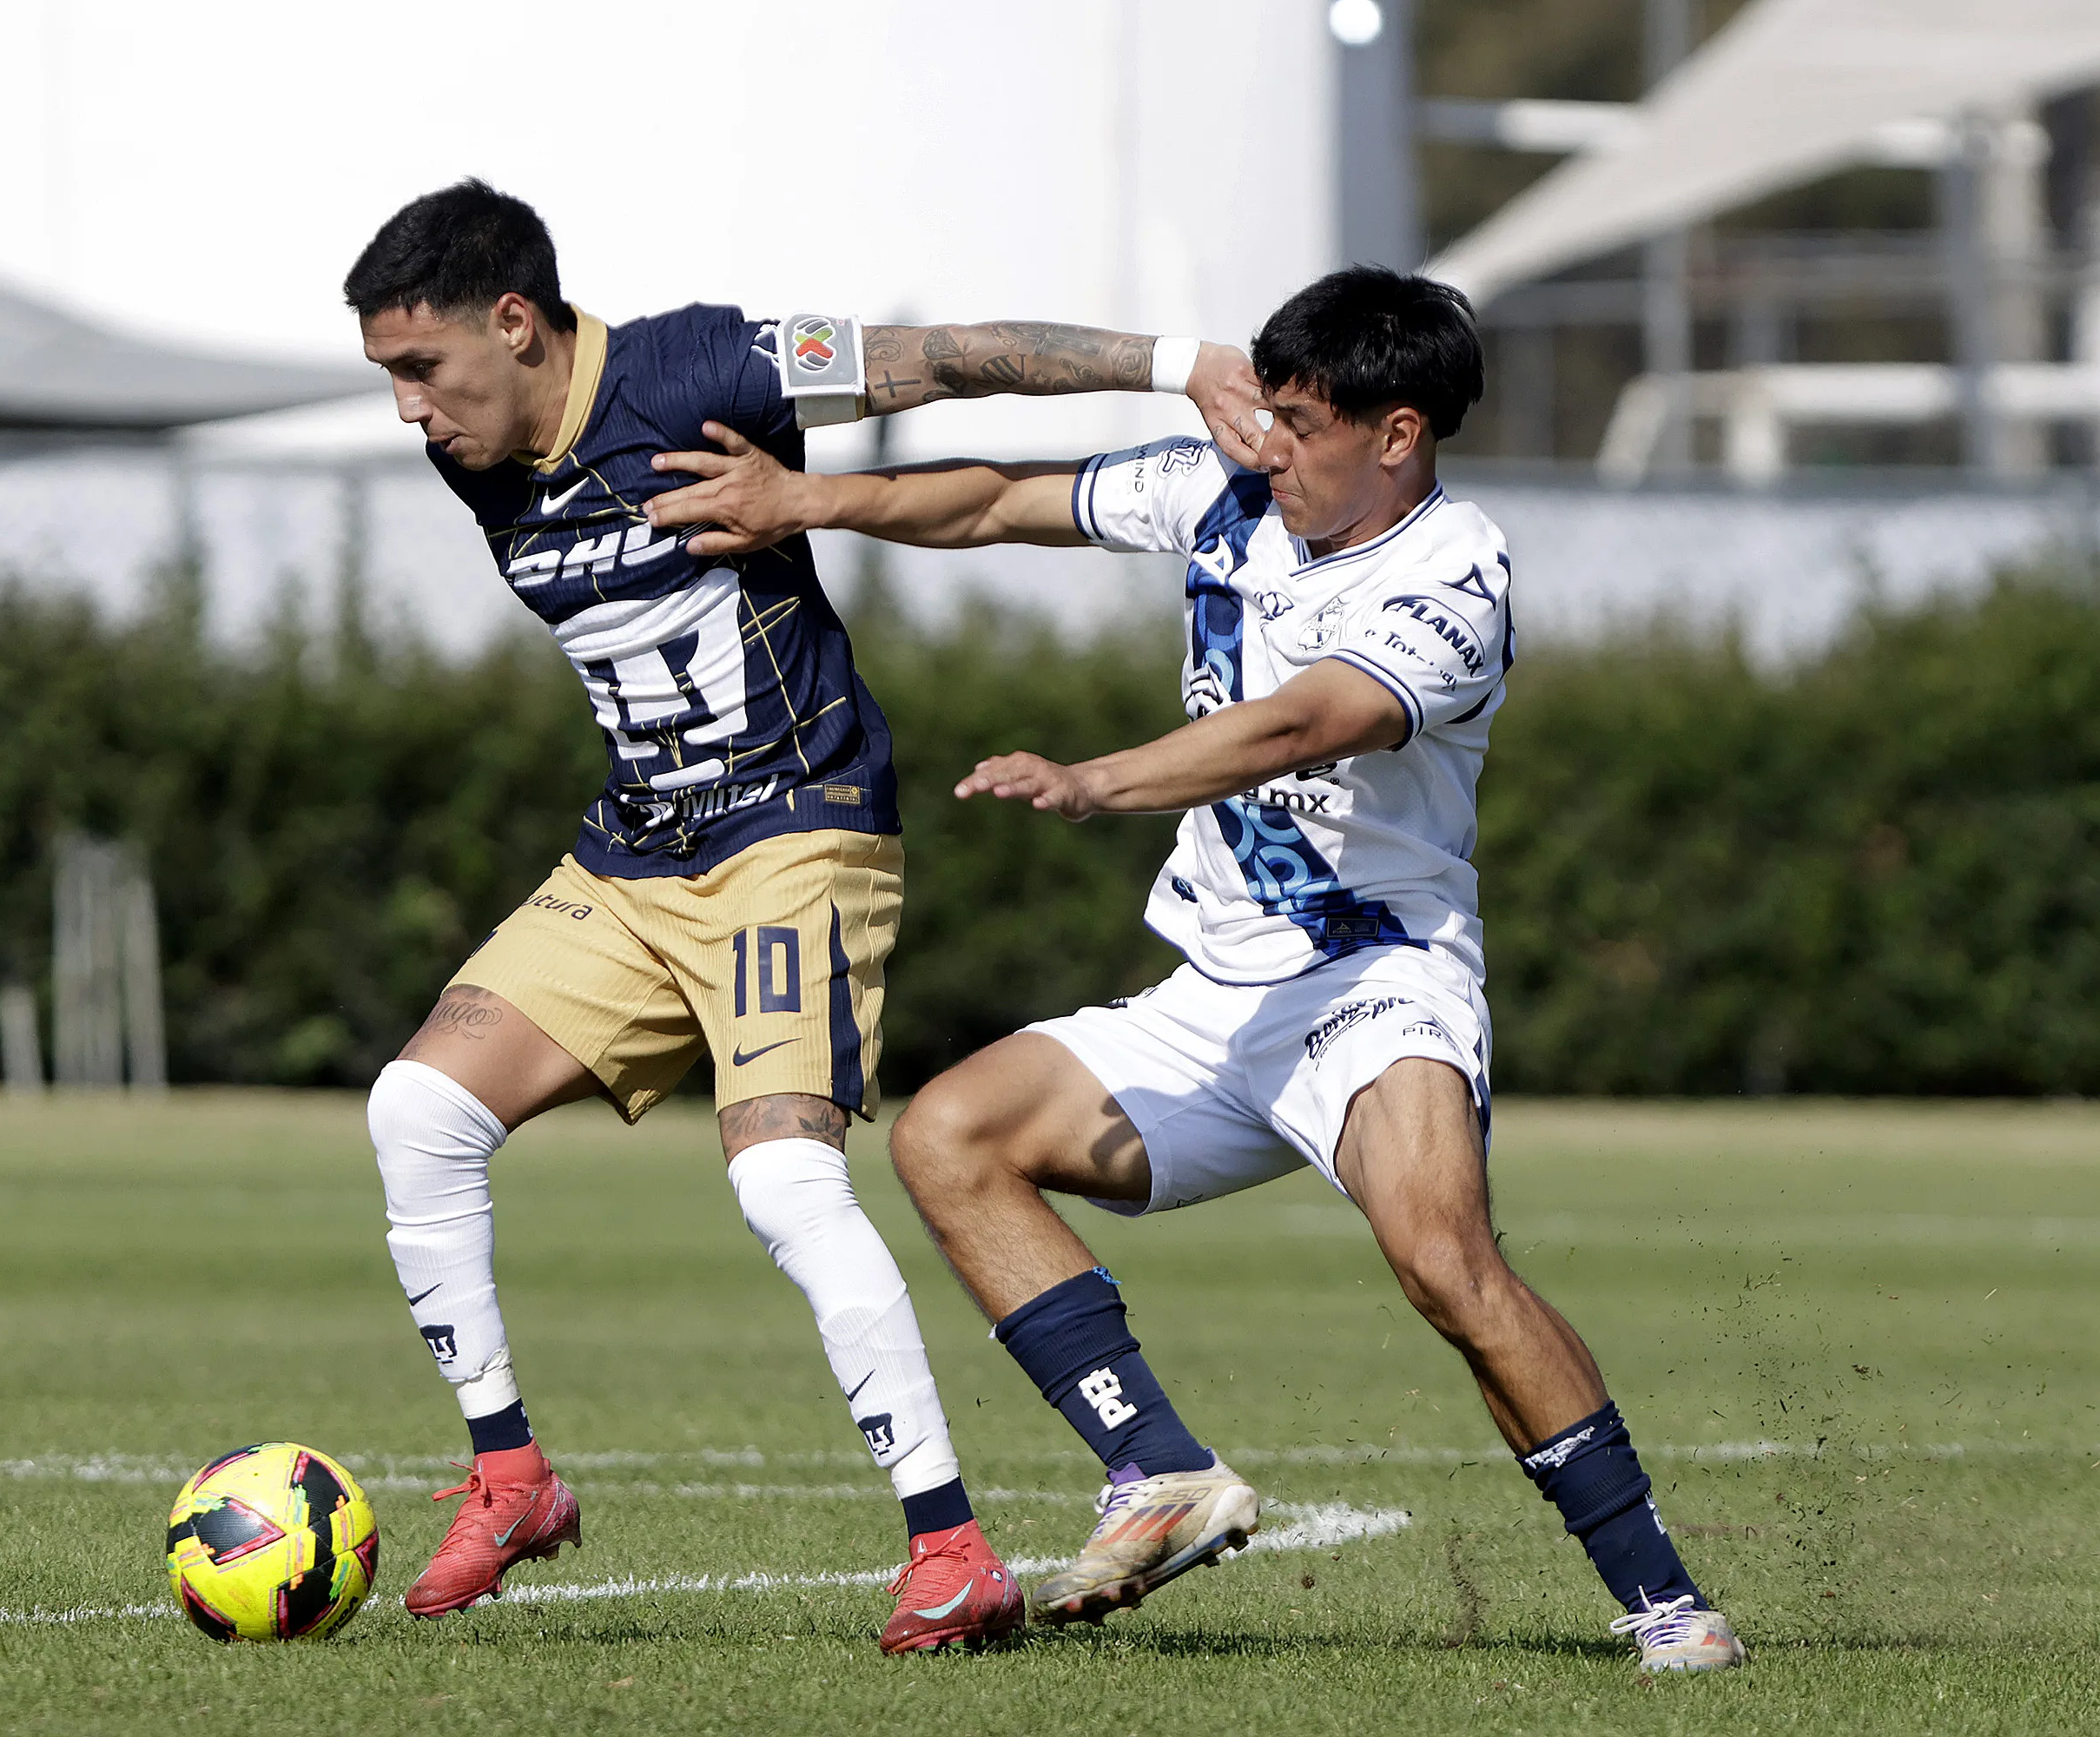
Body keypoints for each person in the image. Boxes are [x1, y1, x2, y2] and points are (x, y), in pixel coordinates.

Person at [642, 265, 1747, 1674]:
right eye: (1266, 412)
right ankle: (1159, 1466)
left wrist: (1098, 780)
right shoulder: (1232, 489)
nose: (1267, 443)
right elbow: (999, 503)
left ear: (1398, 434)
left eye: (1301, 423)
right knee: (949, 1135)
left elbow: (1302, 725)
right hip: (1213, 1001)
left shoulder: (1452, 573)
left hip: (1374, 981)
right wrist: (808, 500)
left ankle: (1666, 1605)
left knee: (1444, 1265)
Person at [342, 179, 1256, 1652]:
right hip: (634, 856)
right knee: (416, 1112)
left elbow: (942, 360)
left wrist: (1181, 364)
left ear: (514, 323)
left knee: (783, 1181)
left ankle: (950, 1551)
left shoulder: (702, 370)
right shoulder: (479, 449)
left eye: (420, 367)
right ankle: (511, 1480)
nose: (407, 409)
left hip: (795, 834)